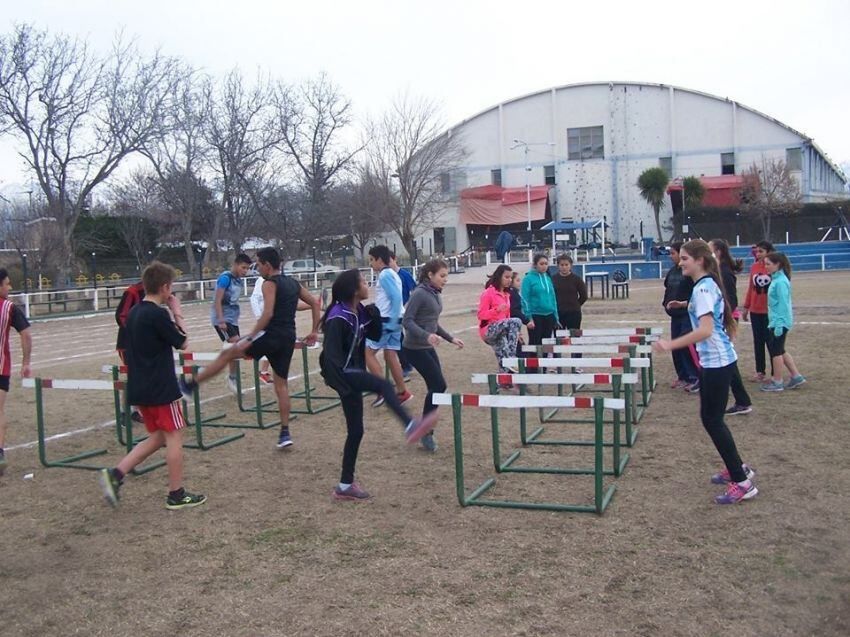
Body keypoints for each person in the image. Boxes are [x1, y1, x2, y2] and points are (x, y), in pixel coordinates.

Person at [182, 247, 321, 449]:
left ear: (267, 264)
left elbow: (267, 314)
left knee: (228, 353)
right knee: (281, 386)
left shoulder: (269, 284)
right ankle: (284, 433)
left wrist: (250, 337)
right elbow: (315, 303)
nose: (256, 269)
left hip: (271, 336)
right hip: (287, 338)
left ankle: (190, 385)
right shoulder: (293, 283)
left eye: (258, 264)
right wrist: (314, 330)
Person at [653, 240, 758, 505]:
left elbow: (705, 330)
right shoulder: (706, 285)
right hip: (719, 360)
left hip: (716, 362)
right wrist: (684, 304)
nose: (680, 262)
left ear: (700, 260)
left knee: (712, 420)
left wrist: (670, 344)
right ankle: (738, 468)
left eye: (685, 258)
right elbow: (706, 307)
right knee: (713, 419)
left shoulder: (704, 287)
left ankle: (742, 482)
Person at [319, 269, 439, 501]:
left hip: (354, 371)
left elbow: (373, 336)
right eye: (364, 282)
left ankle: (345, 486)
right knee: (384, 384)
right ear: (355, 290)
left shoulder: (360, 311)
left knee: (356, 430)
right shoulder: (338, 316)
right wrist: (342, 384)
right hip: (344, 374)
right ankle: (410, 426)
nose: (368, 284)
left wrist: (374, 319)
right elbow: (331, 357)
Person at [98, 262, 206, 509]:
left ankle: (115, 474)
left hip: (140, 387)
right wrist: (178, 312)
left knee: (158, 437)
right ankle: (176, 493)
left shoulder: (135, 312)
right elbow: (183, 342)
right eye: (171, 288)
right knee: (175, 435)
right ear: (165, 287)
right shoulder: (157, 314)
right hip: (160, 388)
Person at [401, 259, 464, 452]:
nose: (445, 279)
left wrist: (449, 338)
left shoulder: (435, 294)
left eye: (446, 275)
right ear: (430, 275)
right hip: (413, 348)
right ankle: (425, 431)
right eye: (442, 276)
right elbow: (407, 321)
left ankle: (425, 431)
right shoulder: (420, 293)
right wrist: (426, 335)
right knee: (439, 385)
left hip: (426, 346)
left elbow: (432, 322)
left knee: (436, 387)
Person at [364, 245, 412, 407]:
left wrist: (391, 322)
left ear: (379, 259)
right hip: (395, 319)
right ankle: (402, 392)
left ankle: (383, 391)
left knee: (368, 353)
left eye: (371, 259)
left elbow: (396, 298)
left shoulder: (385, 275)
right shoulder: (393, 274)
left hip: (386, 320)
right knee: (390, 356)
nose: (370, 264)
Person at [710, 239, 753, 416]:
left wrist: (723, 319)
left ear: (718, 251)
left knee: (727, 361)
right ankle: (741, 399)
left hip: (726, 319)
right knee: (727, 360)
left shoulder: (725, 273)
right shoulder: (719, 271)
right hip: (724, 318)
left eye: (710, 249)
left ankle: (742, 400)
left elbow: (731, 300)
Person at [0, 268, 32, 476]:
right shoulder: (9, 308)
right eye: (7, 283)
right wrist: (26, 361)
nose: (10, 288)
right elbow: (26, 334)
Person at [761, 252, 806, 392]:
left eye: (768, 264)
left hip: (780, 322)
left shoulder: (780, 282)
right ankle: (796, 376)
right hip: (776, 321)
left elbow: (783, 305)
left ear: (777, 264)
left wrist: (779, 324)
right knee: (780, 350)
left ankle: (777, 381)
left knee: (776, 352)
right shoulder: (777, 279)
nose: (766, 267)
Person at [210, 253, 252, 393]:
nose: (245, 271)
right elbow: (217, 300)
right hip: (222, 319)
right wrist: (221, 319)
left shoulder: (238, 280)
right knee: (237, 345)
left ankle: (232, 377)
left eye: (247, 268)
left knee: (234, 347)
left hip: (232, 319)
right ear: (235, 264)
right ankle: (228, 372)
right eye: (243, 267)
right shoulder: (225, 278)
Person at [662, 242, 701, 391]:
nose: (671, 256)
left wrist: (684, 304)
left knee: (686, 345)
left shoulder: (689, 274)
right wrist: (665, 302)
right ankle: (682, 376)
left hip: (687, 314)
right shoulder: (672, 272)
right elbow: (668, 289)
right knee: (676, 347)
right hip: (675, 315)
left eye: (673, 253)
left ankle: (694, 376)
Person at [478, 265, 523, 381]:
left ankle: (504, 382)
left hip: (501, 331)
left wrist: (517, 333)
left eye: (510, 278)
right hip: (488, 329)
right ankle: (512, 358)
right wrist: (496, 310)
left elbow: (507, 316)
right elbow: (481, 315)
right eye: (506, 277)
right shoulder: (488, 293)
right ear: (499, 277)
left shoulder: (507, 295)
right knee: (517, 320)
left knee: (503, 357)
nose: (509, 280)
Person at [741, 241, 774, 382]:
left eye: (761, 251)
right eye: (757, 251)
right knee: (758, 342)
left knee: (771, 343)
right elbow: (751, 288)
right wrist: (746, 307)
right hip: (755, 311)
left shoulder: (774, 267)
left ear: (768, 252)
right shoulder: (754, 267)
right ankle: (760, 371)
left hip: (769, 311)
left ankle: (775, 373)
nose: (758, 254)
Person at [521, 254, 558, 350]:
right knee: (535, 343)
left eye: (546, 264)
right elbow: (525, 299)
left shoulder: (548, 278)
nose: (544, 266)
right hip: (535, 315)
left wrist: (555, 316)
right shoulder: (528, 279)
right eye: (541, 264)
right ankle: (533, 365)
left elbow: (552, 298)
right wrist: (528, 317)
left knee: (546, 343)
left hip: (549, 315)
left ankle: (544, 364)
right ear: (535, 264)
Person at [389, 252, 417, 380]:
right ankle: (406, 365)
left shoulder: (405, 275)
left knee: (412, 337)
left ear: (395, 259)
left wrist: (408, 307)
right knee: (398, 338)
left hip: (405, 311)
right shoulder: (386, 276)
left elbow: (414, 292)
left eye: (389, 260)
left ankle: (414, 361)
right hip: (394, 313)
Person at [551, 254, 587, 330]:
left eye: (566, 265)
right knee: (559, 337)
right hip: (558, 313)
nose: (564, 267)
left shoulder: (577, 279)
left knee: (574, 337)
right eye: (562, 265)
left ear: (571, 265)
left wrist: (576, 305)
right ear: (558, 266)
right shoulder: (553, 279)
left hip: (574, 313)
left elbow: (584, 296)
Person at [509, 271, 531, 358]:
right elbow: (515, 311)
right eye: (517, 280)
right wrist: (527, 321)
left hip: (515, 326)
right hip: (512, 326)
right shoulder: (513, 294)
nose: (520, 283)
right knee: (519, 350)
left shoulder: (514, 293)